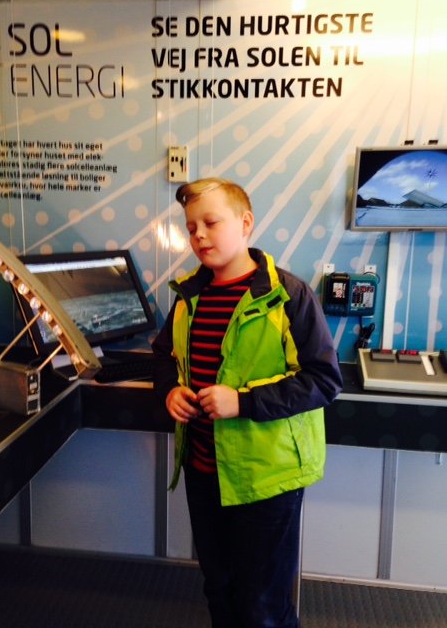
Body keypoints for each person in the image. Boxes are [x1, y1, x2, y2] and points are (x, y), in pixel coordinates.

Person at [152, 178, 343, 628]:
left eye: (211, 223)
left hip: (265, 479)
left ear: (245, 223)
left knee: (263, 604)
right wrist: (170, 390)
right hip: (204, 470)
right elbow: (163, 355)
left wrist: (243, 402)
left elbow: (323, 380)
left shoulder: (288, 295)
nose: (199, 235)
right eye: (191, 227)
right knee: (219, 587)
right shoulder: (189, 295)